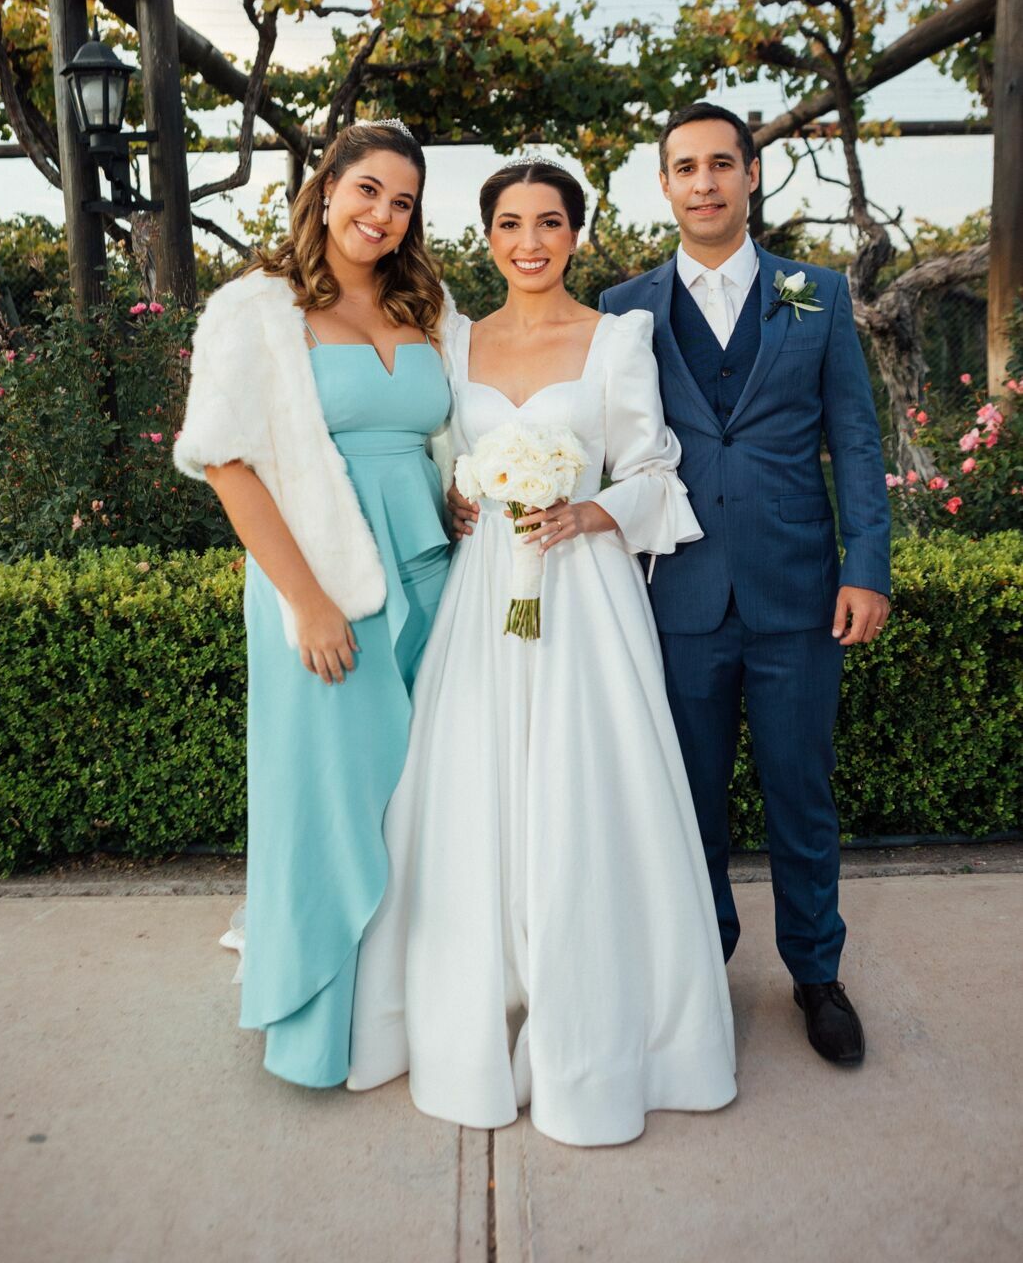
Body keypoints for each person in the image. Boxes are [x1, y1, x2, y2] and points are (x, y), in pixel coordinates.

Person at [348, 158, 736, 1147]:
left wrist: (589, 511)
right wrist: (457, 494)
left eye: (549, 223)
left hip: (583, 591)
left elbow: (652, 467)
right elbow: (441, 457)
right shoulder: (453, 338)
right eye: (511, 224)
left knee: (583, 788)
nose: (530, 242)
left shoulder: (617, 338)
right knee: (470, 787)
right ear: (487, 238)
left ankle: (597, 1031)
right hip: (485, 593)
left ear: (575, 233)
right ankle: (475, 1003)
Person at [600, 101, 891, 1066]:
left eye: (721, 164)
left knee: (800, 792)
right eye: (685, 167)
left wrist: (866, 566)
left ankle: (816, 973)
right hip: (676, 594)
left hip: (797, 591)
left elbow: (854, 439)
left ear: (750, 174)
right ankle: (700, 966)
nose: (705, 183)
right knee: (687, 800)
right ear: (664, 184)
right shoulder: (622, 307)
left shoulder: (818, 294)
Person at [174, 119, 453, 1088]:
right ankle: (314, 1025)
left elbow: (444, 439)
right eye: (368, 189)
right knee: (325, 799)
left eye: (403, 201)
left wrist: (463, 496)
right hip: (323, 582)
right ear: (326, 187)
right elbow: (225, 461)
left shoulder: (427, 304)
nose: (383, 214)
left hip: (433, 574)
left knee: (417, 798)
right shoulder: (255, 308)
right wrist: (307, 600)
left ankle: (403, 1017)